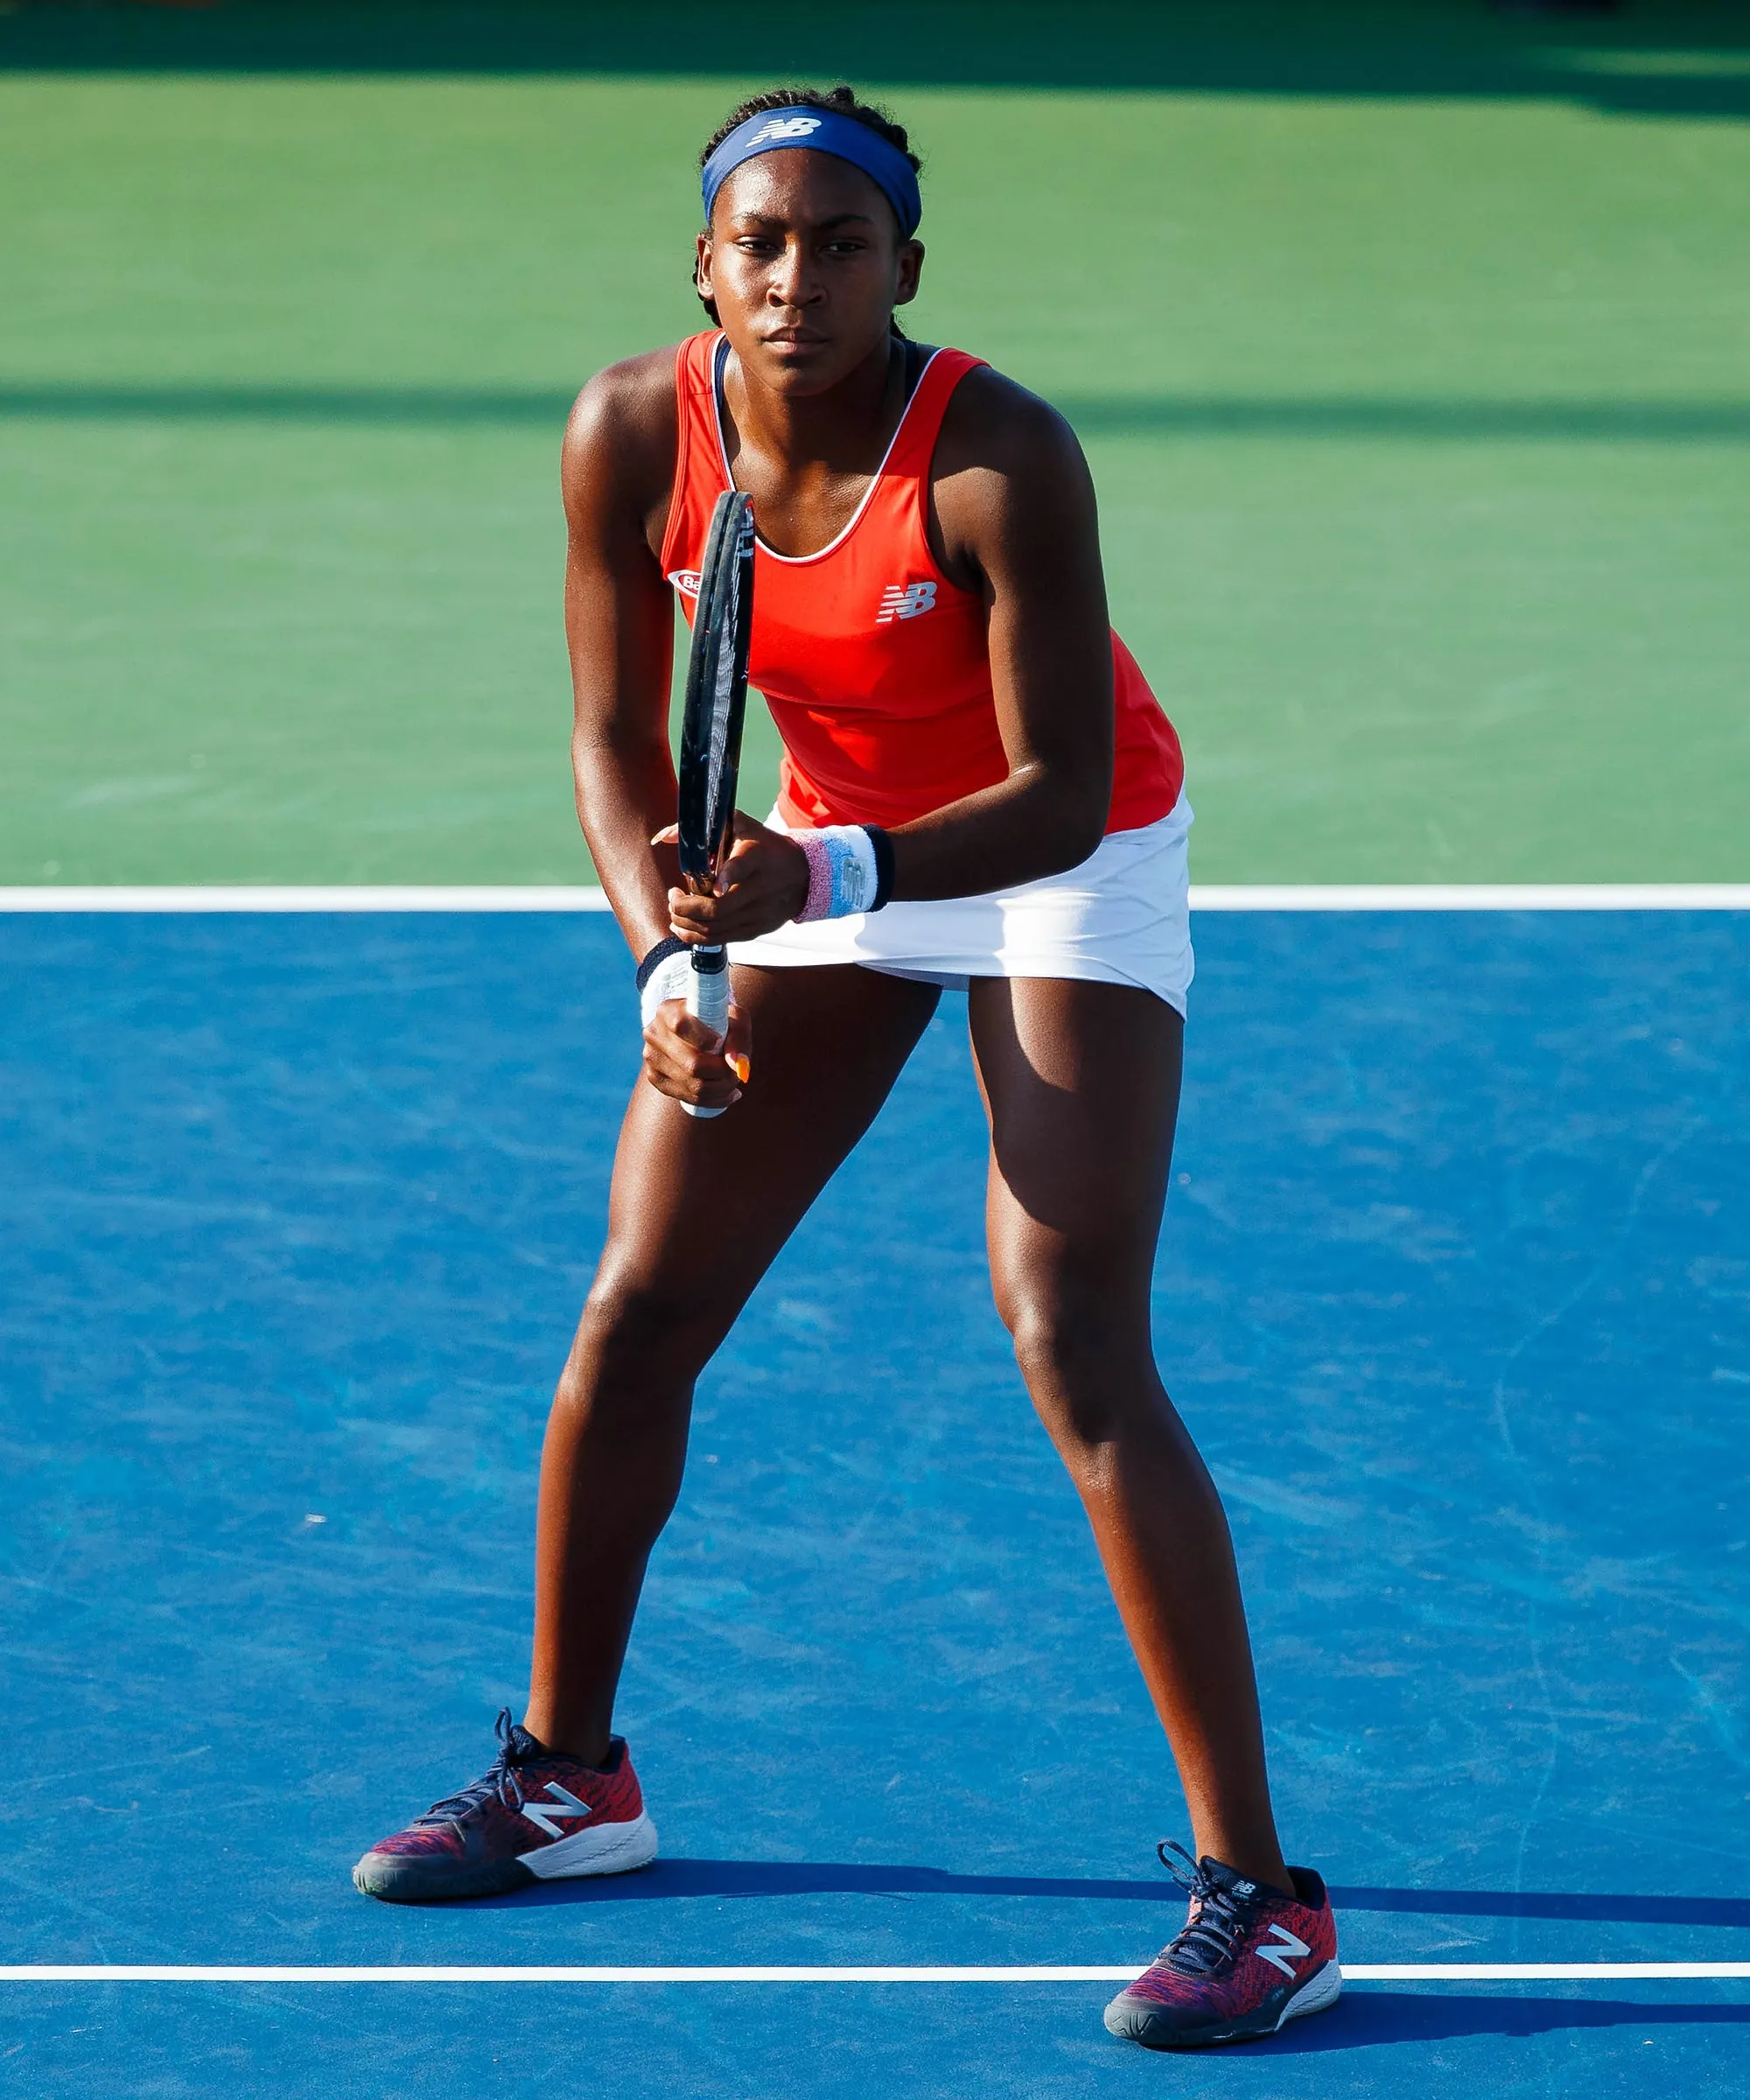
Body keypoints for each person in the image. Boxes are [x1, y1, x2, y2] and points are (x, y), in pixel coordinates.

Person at [352, 85, 1340, 2050]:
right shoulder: (633, 430)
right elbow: (617, 748)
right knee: (639, 1306)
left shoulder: (996, 458)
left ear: (906, 267)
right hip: (818, 856)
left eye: (842, 244)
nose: (798, 279)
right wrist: (665, 959)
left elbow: (1058, 789)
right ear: (702, 264)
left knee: (1070, 1337)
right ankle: (569, 1780)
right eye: (760, 244)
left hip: (1053, 865)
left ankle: (1265, 1895)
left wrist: (828, 870)